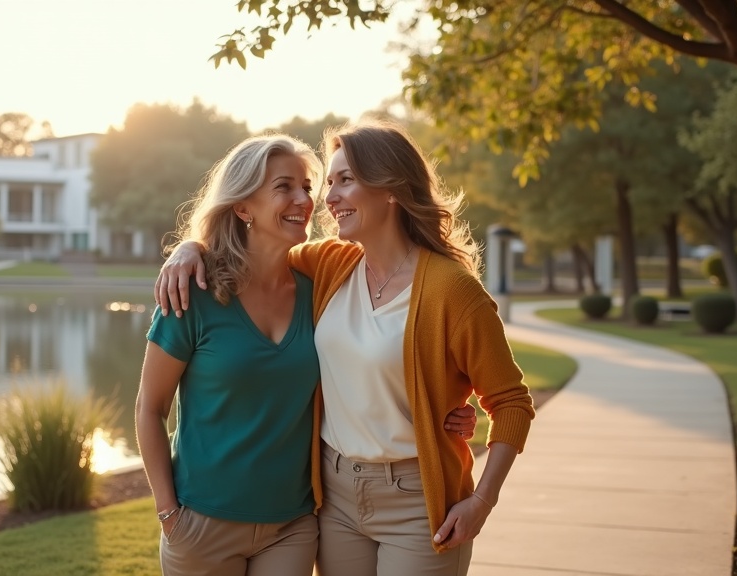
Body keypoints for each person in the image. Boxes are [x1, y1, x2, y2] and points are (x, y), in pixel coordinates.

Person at [156, 119, 535, 576]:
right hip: (334, 499)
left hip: (418, 498)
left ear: (390, 189)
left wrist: (482, 500)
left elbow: (511, 401)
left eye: (344, 181)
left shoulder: (452, 291)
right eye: (328, 182)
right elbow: (253, 250)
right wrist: (190, 248)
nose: (326, 198)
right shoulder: (330, 263)